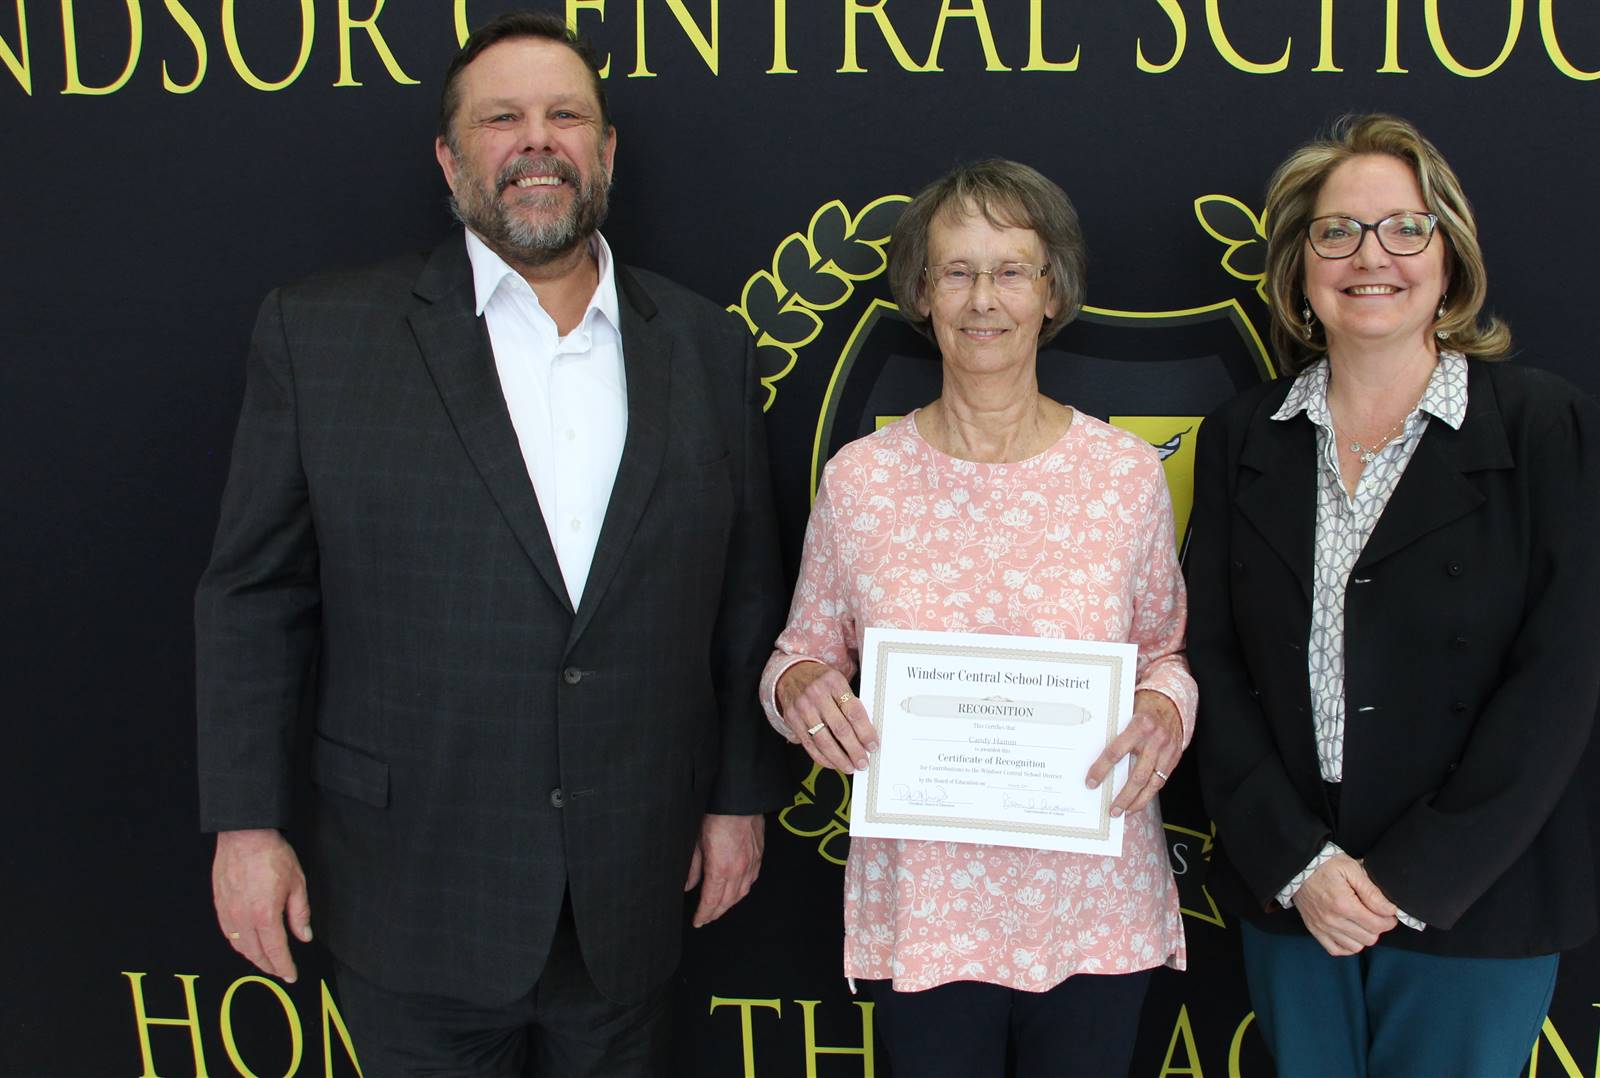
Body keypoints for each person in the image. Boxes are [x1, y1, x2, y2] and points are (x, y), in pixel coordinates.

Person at [194, 13, 787, 1074]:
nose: (537, 141)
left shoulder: (707, 345)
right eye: (501, 118)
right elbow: (256, 598)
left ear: (607, 150)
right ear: (449, 156)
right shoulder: (321, 334)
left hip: (631, 889)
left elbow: (744, 597)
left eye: (566, 116)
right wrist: (247, 825)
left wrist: (737, 797)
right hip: (412, 887)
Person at [1185, 114, 1600, 1077]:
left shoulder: (1542, 425)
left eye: (1405, 229)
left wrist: (1412, 878)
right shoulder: (1243, 434)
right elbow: (1213, 659)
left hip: (1475, 893)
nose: (1370, 256)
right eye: (1336, 232)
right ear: (1299, 269)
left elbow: (1556, 679)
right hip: (1296, 893)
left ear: (1449, 259)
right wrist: (1300, 864)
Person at [759, 159, 1197, 1078]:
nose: (983, 299)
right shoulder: (861, 479)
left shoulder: (1124, 475)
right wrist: (798, 686)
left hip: (1093, 907)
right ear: (922, 294)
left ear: (1052, 291)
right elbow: (799, 654)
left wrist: (1166, 706)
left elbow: (1166, 652)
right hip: (931, 912)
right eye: (956, 271)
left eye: (1011, 271)